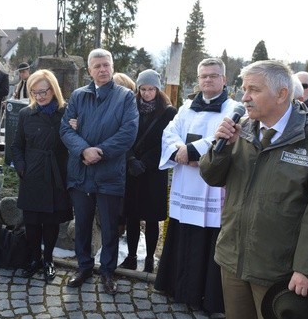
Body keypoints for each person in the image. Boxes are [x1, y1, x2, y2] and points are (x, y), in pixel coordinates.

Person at [199, 60, 308, 319]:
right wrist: (221, 147)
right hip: (234, 260)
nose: (244, 97)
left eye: (253, 90)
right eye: (244, 89)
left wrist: (307, 269)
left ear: (281, 94)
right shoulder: (240, 130)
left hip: (280, 270)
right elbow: (211, 176)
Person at [154, 58, 240, 316]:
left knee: (209, 241)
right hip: (185, 185)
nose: (207, 80)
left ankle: (208, 297)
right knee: (183, 236)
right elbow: (169, 133)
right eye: (203, 76)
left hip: (213, 189)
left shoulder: (234, 108)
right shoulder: (187, 107)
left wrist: (192, 152)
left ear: (224, 79)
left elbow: (222, 138)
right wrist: (180, 151)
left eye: (213, 76)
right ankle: (178, 288)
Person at [59, 48, 138, 295]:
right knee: (82, 223)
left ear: (112, 67)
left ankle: (107, 271)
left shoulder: (125, 97)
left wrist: (99, 151)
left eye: (106, 65)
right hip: (81, 172)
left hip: (109, 172)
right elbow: (65, 130)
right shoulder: (78, 96)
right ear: (90, 70)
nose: (103, 69)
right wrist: (84, 150)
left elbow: (128, 133)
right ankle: (83, 267)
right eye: (97, 66)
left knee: (109, 225)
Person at [11, 69, 73, 282]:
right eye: (35, 92)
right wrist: (21, 167)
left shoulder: (66, 113)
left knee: (51, 222)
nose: (39, 96)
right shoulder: (26, 114)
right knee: (32, 224)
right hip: (32, 174)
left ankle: (48, 260)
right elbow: (17, 146)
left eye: (43, 91)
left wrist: (77, 128)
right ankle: (34, 259)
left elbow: (73, 142)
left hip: (55, 173)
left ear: (54, 89)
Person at [118, 69, 176, 273]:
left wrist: (147, 162)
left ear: (157, 89)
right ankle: (132, 257)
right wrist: (131, 159)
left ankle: (150, 259)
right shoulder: (130, 108)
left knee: (152, 220)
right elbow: (123, 135)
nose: (147, 93)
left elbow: (168, 141)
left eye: (151, 89)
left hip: (153, 172)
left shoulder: (168, 112)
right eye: (143, 89)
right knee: (132, 217)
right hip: (132, 170)